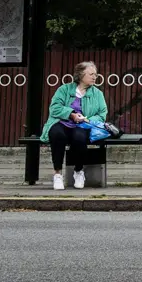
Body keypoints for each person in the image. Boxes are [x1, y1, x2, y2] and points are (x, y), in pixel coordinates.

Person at [39, 61, 107, 190]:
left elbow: (102, 114)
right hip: (62, 122)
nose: (94, 77)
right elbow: (54, 108)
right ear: (81, 75)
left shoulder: (97, 94)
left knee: (79, 137)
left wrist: (85, 119)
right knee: (56, 134)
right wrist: (71, 114)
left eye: (96, 75)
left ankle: (79, 171)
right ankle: (57, 174)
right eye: (91, 74)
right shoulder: (64, 89)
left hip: (83, 125)